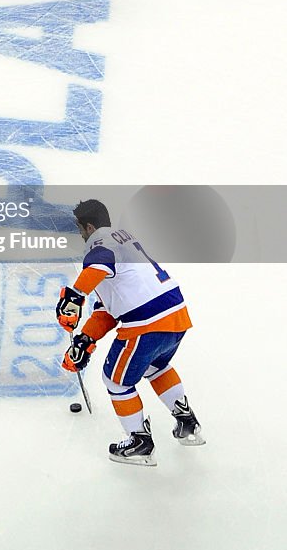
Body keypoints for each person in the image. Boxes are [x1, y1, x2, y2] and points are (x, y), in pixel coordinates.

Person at [55, 199, 204, 466]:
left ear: (90, 226)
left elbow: (100, 262)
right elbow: (108, 309)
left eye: (80, 228)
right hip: (176, 315)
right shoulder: (125, 240)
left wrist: (75, 297)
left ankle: (140, 443)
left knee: (115, 380)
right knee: (154, 367)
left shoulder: (100, 243)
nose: (80, 234)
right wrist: (85, 339)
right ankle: (187, 422)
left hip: (147, 321)